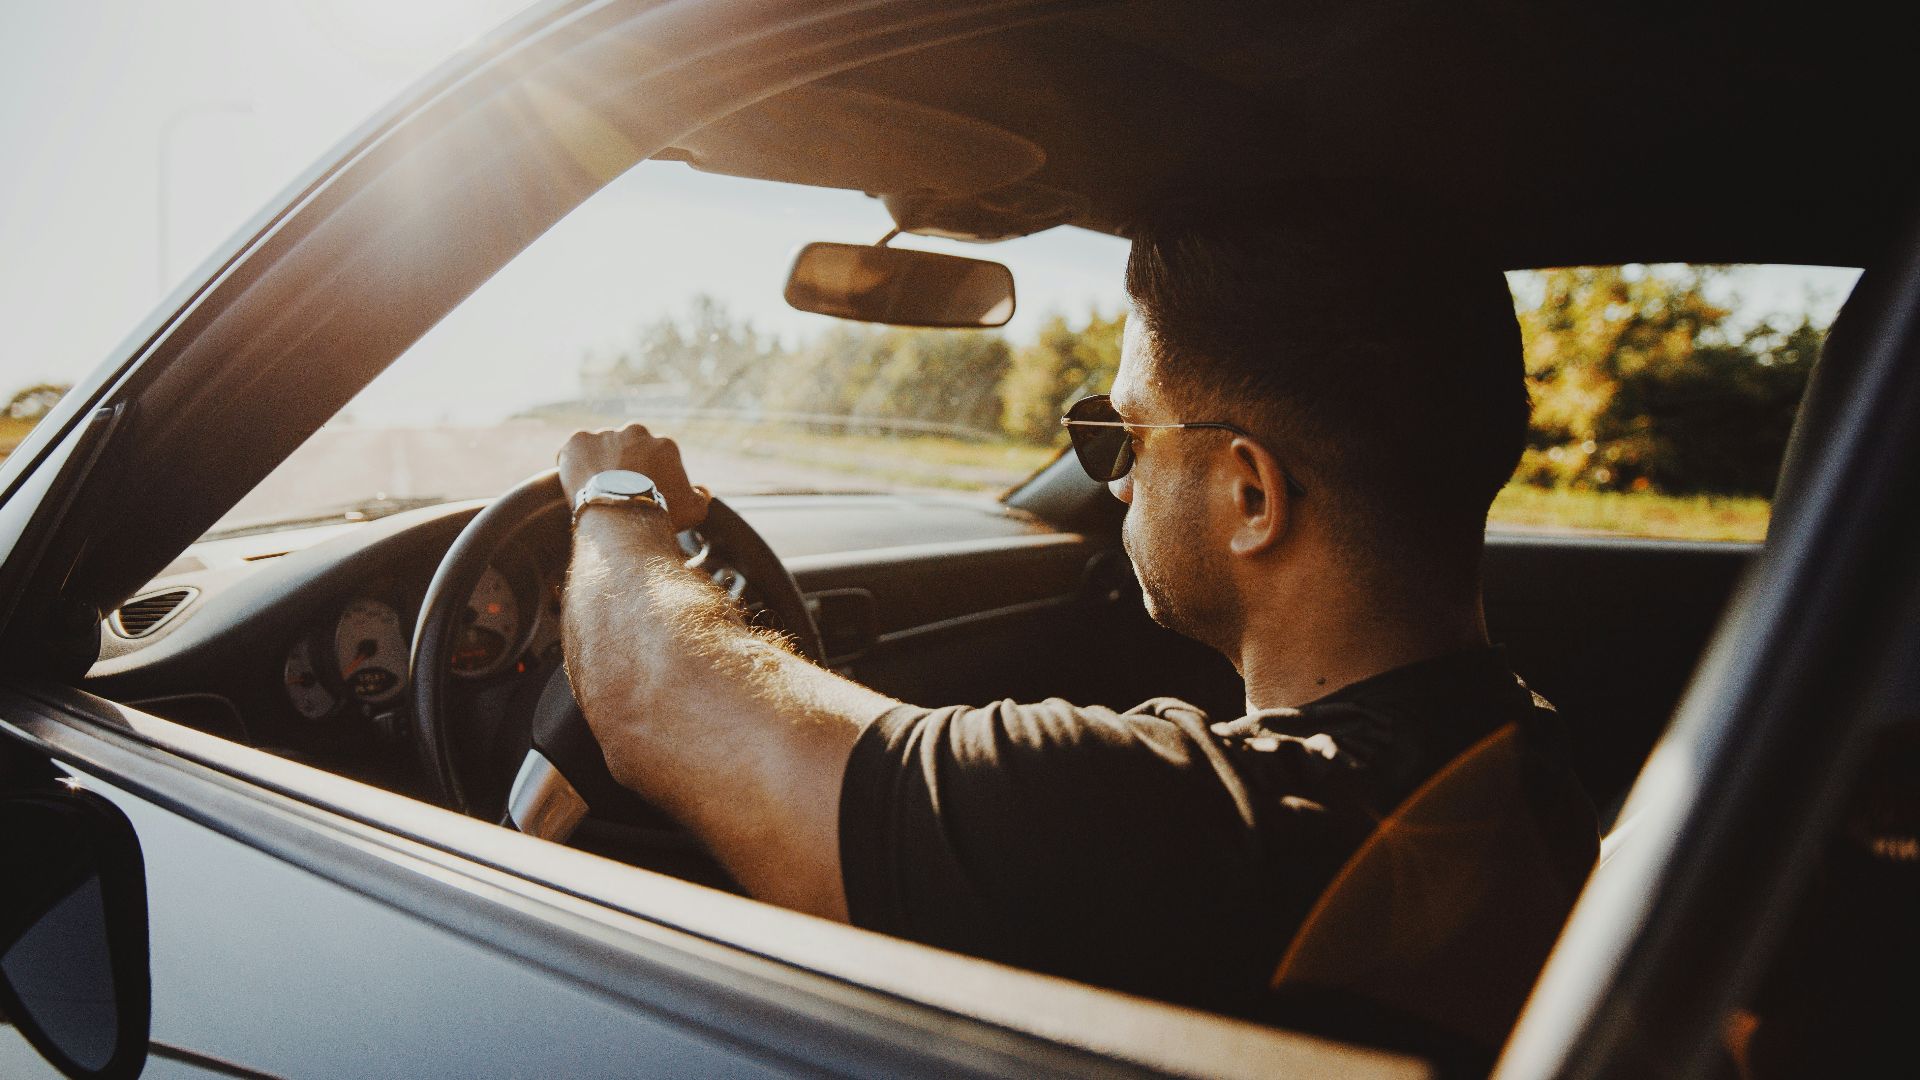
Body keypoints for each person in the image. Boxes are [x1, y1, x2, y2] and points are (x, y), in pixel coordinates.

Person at [556, 211, 1597, 1023]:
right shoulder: (1522, 752)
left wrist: (615, 504)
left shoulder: (1170, 828)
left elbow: (653, 701)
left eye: (1126, 432)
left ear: (1250, 497)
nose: (1115, 480)